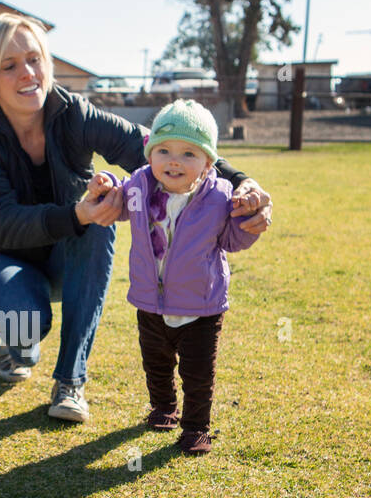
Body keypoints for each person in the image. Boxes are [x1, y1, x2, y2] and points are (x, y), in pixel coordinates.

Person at [0, 12, 272, 424]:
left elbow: (157, 146)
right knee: (26, 331)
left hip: (71, 254)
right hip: (4, 256)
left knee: (98, 229)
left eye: (34, 59)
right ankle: (17, 347)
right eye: (9, 66)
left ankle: (69, 381)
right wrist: (75, 213)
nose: (28, 73)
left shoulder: (72, 112)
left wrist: (243, 182)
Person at [87, 98, 259, 454]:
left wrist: (246, 221)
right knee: (157, 365)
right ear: (150, 155)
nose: (174, 161)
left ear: (209, 163)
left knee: (198, 376)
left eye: (189, 154)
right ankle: (163, 407)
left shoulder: (220, 198)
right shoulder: (138, 187)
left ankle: (196, 427)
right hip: (150, 303)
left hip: (201, 307)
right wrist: (105, 186)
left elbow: (232, 240)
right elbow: (118, 200)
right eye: (163, 150)